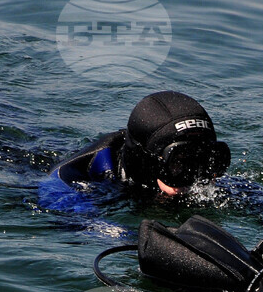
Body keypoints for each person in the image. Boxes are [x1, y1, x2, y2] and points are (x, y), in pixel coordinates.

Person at [40, 91, 232, 212]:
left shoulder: (202, 184)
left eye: (206, 162)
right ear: (148, 163)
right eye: (178, 163)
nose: (194, 180)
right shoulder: (69, 181)